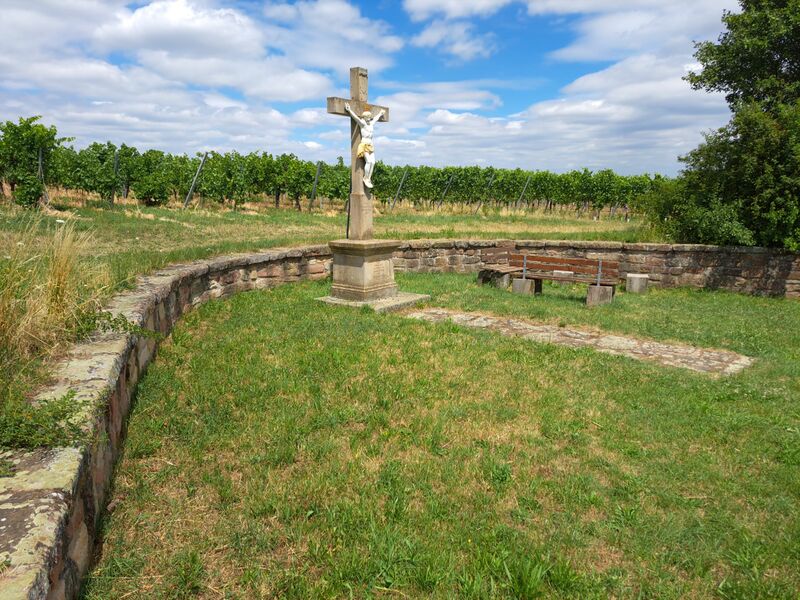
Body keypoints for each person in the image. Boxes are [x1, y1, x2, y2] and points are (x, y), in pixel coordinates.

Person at [344, 102, 384, 189]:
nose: (369, 118)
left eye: (369, 117)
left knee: (373, 162)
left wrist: (380, 114)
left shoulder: (371, 124)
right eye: (367, 117)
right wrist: (349, 110)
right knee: (369, 161)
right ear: (364, 117)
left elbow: (376, 118)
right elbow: (356, 118)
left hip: (370, 145)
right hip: (364, 144)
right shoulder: (363, 123)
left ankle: (369, 179)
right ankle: (365, 178)